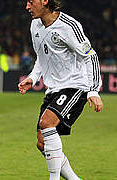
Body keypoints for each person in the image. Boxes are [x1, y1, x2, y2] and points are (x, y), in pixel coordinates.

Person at [18, 0, 103, 180]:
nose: (27, 7)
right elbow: (41, 57)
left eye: (31, 2)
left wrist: (93, 91)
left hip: (75, 86)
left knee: (47, 122)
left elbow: (91, 56)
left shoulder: (69, 26)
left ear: (44, 1)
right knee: (42, 143)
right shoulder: (35, 25)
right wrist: (33, 78)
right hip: (53, 89)